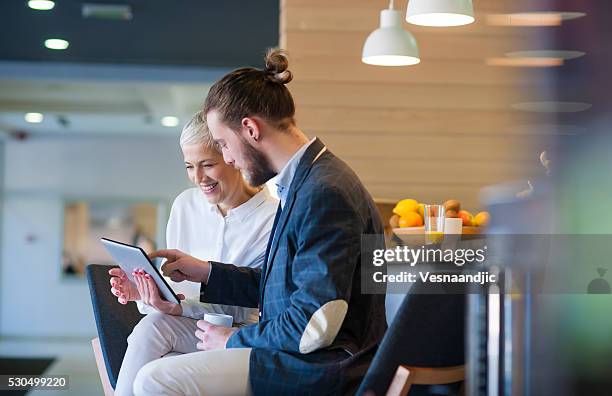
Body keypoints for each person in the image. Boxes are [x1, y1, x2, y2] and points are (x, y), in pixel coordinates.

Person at [135, 48, 386, 396]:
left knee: (155, 380)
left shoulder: (324, 191)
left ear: (250, 129)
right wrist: (207, 272)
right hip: (298, 353)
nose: (227, 159)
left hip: (322, 366)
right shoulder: (306, 180)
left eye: (223, 144)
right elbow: (279, 288)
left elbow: (315, 323)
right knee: (155, 330)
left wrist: (235, 339)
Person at [108, 111, 278, 396]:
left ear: (231, 155)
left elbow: (244, 307)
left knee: (159, 368)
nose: (198, 178)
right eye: (189, 166)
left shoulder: (272, 219)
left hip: (236, 337)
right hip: (185, 326)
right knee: (152, 324)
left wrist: (179, 307)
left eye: (207, 164)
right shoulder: (185, 205)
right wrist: (146, 293)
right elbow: (175, 296)